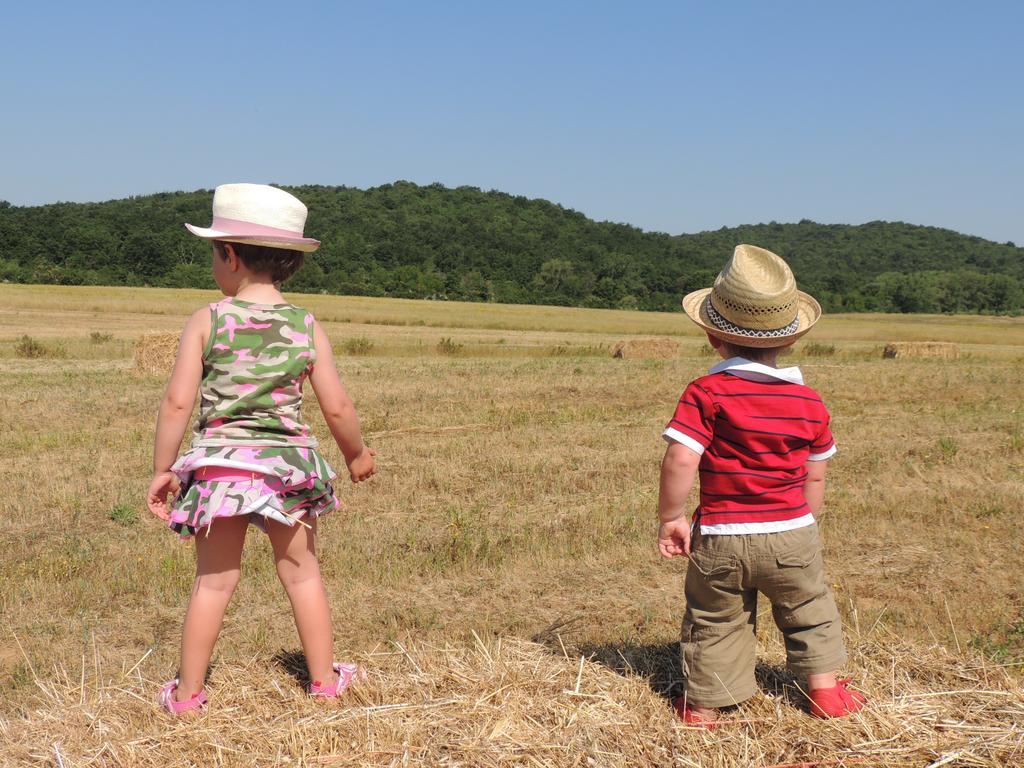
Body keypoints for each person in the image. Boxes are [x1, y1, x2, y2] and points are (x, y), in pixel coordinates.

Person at [146, 183, 377, 714]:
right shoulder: (305, 325)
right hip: (287, 470)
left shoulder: (208, 319)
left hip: (222, 468)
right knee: (302, 574)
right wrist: (356, 453)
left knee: (213, 582)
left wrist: (164, 468)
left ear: (228, 254)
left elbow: (177, 403)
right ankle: (324, 683)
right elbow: (337, 406)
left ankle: (186, 696)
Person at [657, 244, 865, 728]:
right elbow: (816, 472)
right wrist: (805, 520)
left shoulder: (706, 392)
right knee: (810, 607)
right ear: (789, 340)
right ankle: (825, 692)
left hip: (723, 537)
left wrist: (671, 516)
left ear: (713, 336)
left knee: (716, 620)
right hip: (792, 531)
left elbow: (681, 457)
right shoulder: (810, 402)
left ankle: (705, 707)